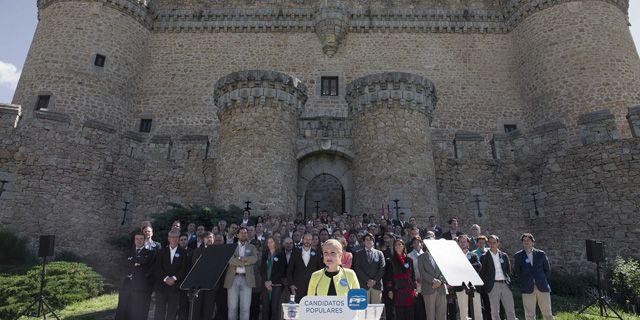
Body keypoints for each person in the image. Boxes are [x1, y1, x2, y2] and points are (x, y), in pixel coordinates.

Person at [115, 232, 154, 320]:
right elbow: (123, 264)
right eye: (137, 239)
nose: (139, 241)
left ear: (144, 240)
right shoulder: (128, 252)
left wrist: (132, 260)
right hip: (126, 284)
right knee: (123, 308)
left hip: (140, 286)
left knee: (137, 311)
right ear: (134, 240)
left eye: (141, 239)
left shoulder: (150, 253)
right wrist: (137, 262)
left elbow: (147, 265)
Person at [514, 233, 553, 320]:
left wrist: (540, 279)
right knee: (529, 315)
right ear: (522, 243)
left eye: (528, 240)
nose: (526, 242)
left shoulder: (541, 254)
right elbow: (517, 272)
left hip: (542, 286)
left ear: (533, 242)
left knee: (547, 313)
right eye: (524, 240)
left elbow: (547, 270)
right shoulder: (518, 256)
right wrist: (525, 281)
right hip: (527, 288)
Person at [153, 229, 189, 320]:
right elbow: (157, 268)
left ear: (178, 239)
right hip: (162, 286)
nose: (174, 239)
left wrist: (174, 278)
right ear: (169, 238)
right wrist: (165, 278)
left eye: (176, 237)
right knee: (159, 311)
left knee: (172, 312)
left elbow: (184, 269)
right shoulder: (161, 251)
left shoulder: (184, 252)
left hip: (175, 287)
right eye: (172, 237)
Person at [224, 227, 258, 320]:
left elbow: (254, 259)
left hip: (247, 279)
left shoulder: (252, 247)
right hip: (233, 278)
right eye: (242, 233)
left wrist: (239, 259)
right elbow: (230, 260)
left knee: (245, 308)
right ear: (238, 235)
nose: (244, 234)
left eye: (245, 233)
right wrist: (246, 261)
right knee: (232, 307)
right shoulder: (231, 246)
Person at [479, 235, 515, 320]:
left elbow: (508, 270)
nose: (492, 244)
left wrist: (508, 281)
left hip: (505, 284)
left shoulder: (504, 255)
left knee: (510, 310)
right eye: (490, 243)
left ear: (498, 243)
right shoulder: (484, 257)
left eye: (494, 242)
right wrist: (486, 287)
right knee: (495, 311)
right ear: (488, 244)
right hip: (493, 285)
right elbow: (482, 274)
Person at [384, 239, 417, 319]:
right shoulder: (390, 260)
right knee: (399, 313)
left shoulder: (409, 260)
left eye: (400, 244)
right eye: (396, 245)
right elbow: (388, 277)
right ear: (394, 247)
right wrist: (390, 290)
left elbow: (412, 276)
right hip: (397, 289)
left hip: (408, 289)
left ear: (403, 246)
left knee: (410, 312)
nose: (398, 246)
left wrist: (415, 288)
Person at [453, 235, 483, 320]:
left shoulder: (473, 255)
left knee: (477, 311)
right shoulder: (454, 257)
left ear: (468, 243)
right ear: (458, 243)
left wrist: (465, 266)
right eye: (461, 242)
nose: (462, 243)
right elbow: (454, 269)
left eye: (464, 241)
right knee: (463, 313)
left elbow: (478, 266)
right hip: (460, 286)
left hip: (474, 286)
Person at [287, 233, 323, 302]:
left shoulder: (317, 253)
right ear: (302, 240)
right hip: (297, 287)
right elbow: (289, 270)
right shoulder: (295, 252)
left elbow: (320, 271)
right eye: (306, 239)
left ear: (312, 241)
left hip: (312, 287)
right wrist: (291, 285)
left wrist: (318, 285)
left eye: (309, 240)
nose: (307, 241)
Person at [352, 232, 386, 304]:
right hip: (363, 285)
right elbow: (357, 269)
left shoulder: (379, 253)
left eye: (371, 239)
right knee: (363, 310)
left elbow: (382, 268)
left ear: (373, 242)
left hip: (376, 285)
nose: (369, 241)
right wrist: (367, 280)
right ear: (364, 242)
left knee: (376, 311)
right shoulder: (358, 253)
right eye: (367, 239)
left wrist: (374, 281)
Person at [260, 236, 287, 320]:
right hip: (265, 285)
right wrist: (265, 281)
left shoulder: (280, 254)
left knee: (274, 308)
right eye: (268, 242)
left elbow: (281, 270)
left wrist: (271, 281)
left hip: (276, 285)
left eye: (271, 242)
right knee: (265, 309)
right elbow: (262, 269)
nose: (270, 244)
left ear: (275, 243)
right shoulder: (265, 255)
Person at [418, 245, 447, 320]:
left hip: (441, 288)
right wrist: (433, 280)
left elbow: (445, 271)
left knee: (442, 314)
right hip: (428, 288)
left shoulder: (441, 256)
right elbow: (422, 272)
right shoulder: (421, 257)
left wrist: (440, 281)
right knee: (430, 315)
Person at [408, 237, 427, 320]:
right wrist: (414, 281)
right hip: (416, 284)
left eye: (418, 242)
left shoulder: (426, 254)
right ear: (412, 244)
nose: (416, 244)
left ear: (421, 244)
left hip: (427, 283)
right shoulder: (409, 256)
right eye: (414, 242)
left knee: (426, 306)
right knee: (418, 307)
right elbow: (409, 272)